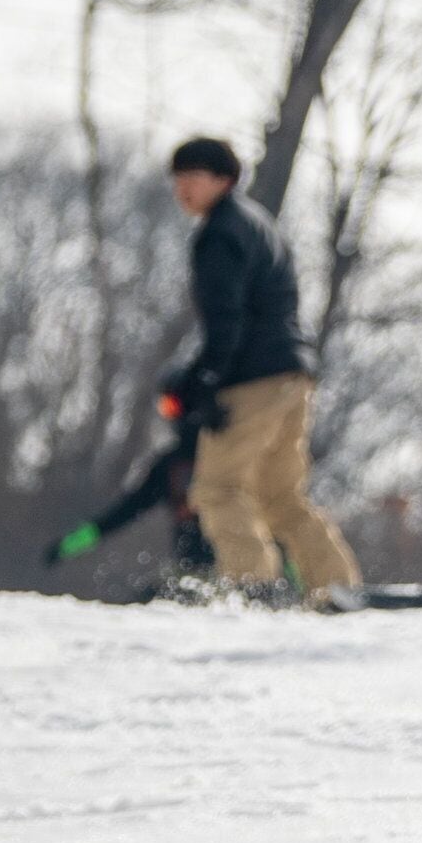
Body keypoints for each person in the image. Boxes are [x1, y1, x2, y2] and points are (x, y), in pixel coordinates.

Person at [164, 136, 361, 608]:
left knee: (216, 487)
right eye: (178, 180)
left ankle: (250, 586)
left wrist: (206, 380)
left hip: (251, 378)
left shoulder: (220, 233)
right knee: (279, 495)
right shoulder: (259, 224)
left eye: (194, 178)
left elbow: (226, 318)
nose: (183, 190)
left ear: (224, 180)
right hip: (292, 375)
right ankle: (336, 587)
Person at [43, 398, 215, 579]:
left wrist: (70, 544)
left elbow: (125, 512)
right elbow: (125, 511)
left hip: (221, 568)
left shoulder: (177, 464)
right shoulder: (170, 466)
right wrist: (71, 544)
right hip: (196, 570)